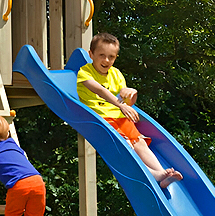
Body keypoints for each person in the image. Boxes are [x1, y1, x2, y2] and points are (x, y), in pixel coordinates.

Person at [76, 32, 183, 189]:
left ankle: (163, 174)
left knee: (139, 143)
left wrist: (132, 94)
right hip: (101, 118)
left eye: (111, 57)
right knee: (127, 145)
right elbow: (100, 90)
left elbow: (128, 100)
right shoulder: (84, 72)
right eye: (102, 55)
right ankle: (153, 174)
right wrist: (120, 104)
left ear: (115, 57)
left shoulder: (116, 74)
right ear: (91, 54)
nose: (106, 60)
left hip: (120, 118)